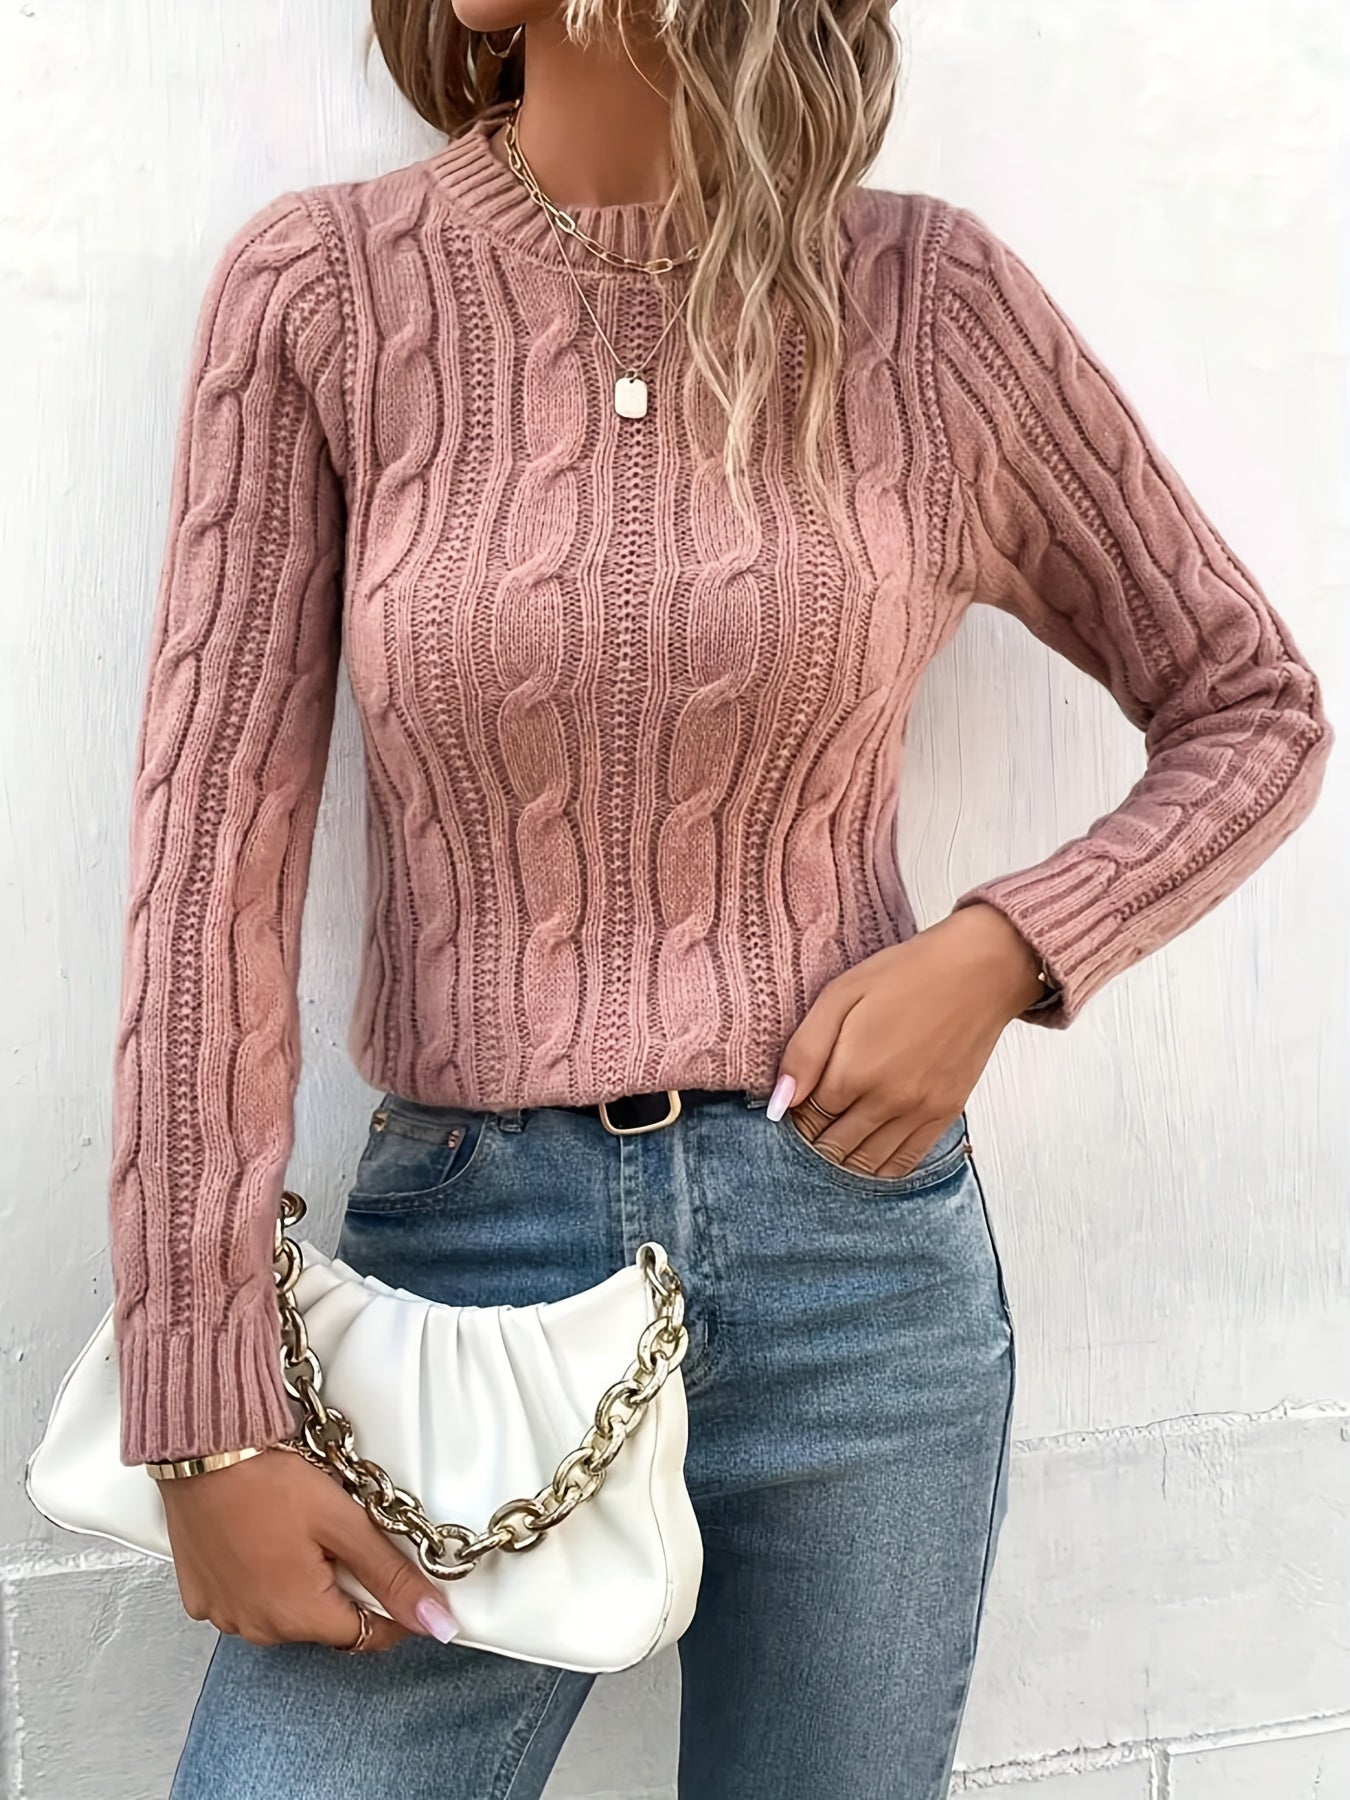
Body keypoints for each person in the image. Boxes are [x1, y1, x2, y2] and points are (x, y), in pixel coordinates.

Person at [105, 5, 1332, 1797]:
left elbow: (1254, 708)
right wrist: (203, 1414)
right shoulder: (326, 292)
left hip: (858, 1271)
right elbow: (207, 862)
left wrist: (1003, 952)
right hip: (469, 1267)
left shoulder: (930, 302)